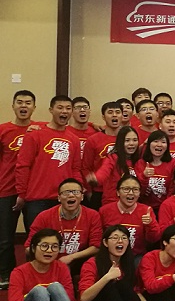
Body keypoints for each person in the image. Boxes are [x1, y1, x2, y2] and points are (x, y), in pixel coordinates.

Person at [78, 225, 164, 301]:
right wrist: (107, 277)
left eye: (124, 238)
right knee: (109, 286)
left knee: (123, 284)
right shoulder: (92, 263)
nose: (120, 241)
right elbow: (84, 298)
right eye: (115, 238)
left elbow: (134, 290)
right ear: (105, 242)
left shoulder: (127, 263)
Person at [16, 95, 82, 228]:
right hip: (37, 199)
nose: (64, 111)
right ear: (51, 110)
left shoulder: (74, 140)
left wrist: (77, 190)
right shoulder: (34, 135)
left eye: (68, 108)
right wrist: (21, 193)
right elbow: (23, 166)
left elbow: (75, 169)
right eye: (60, 107)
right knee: (37, 238)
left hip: (63, 198)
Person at [25, 178, 102, 279]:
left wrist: (71, 257)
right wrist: (50, 257)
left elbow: (96, 246)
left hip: (79, 259)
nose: (71, 195)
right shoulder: (44, 216)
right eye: (66, 192)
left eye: (76, 192)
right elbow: (28, 247)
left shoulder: (93, 215)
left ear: (82, 197)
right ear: (59, 198)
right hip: (51, 259)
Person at [0, 90, 38, 288]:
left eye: (28, 103)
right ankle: (6, 274)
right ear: (13, 106)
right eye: (20, 102)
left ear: (34, 107)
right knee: (5, 238)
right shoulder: (3, 130)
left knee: (35, 237)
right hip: (6, 190)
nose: (24, 106)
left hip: (33, 192)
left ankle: (34, 275)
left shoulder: (40, 129)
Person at [99, 175, 162, 256]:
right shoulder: (105, 211)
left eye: (135, 189)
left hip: (136, 256)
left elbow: (154, 239)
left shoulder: (146, 210)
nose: (131, 193)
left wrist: (150, 224)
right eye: (126, 189)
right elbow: (99, 238)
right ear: (118, 192)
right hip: (110, 255)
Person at [86, 126, 141, 205]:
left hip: (132, 204)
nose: (131, 143)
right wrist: (96, 178)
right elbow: (104, 171)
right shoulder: (112, 158)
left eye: (135, 140)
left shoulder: (138, 161)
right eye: (127, 140)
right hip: (112, 203)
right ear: (120, 142)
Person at [135, 130, 175, 214]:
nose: (159, 145)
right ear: (149, 144)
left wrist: (166, 206)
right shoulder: (141, 164)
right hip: (143, 208)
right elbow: (138, 192)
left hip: (166, 208)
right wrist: (144, 176)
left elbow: (173, 189)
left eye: (163, 142)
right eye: (156, 141)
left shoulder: (173, 164)